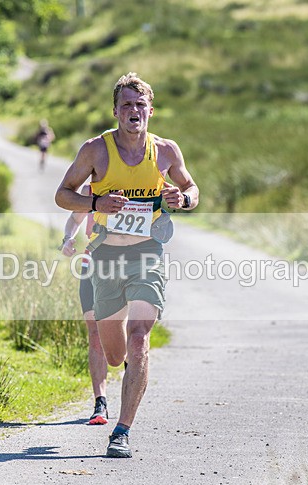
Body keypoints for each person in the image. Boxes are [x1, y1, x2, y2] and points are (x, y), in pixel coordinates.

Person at [55, 72, 199, 458]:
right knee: (115, 352)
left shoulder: (166, 151)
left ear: (150, 110)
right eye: (126, 106)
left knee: (139, 338)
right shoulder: (95, 151)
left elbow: (191, 189)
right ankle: (117, 373)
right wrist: (96, 204)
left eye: (140, 105)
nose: (133, 111)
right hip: (105, 257)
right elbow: (63, 195)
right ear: (116, 111)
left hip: (146, 254)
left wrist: (182, 200)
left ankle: (122, 431)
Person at [59, 184, 109, 425]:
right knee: (95, 331)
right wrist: (67, 239)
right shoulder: (90, 190)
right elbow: (73, 219)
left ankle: (130, 366)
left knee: (124, 333)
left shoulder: (137, 182)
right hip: (92, 263)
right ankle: (100, 402)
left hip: (127, 266)